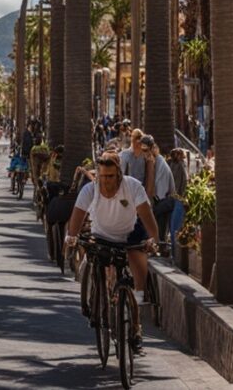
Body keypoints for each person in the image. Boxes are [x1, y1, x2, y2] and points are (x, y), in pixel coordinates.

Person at [65, 151, 159, 354]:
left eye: (110, 176)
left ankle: (136, 327)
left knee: (137, 279)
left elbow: (147, 216)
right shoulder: (90, 190)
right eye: (102, 176)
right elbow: (78, 216)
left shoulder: (133, 187)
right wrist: (71, 236)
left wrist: (153, 239)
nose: (106, 181)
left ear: (118, 174)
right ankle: (100, 305)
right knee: (100, 266)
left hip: (130, 234)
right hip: (102, 236)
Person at [119, 130, 156, 199]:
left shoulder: (145, 158)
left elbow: (148, 178)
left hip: (140, 193)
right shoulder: (124, 155)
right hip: (127, 194)